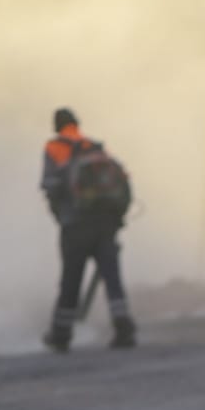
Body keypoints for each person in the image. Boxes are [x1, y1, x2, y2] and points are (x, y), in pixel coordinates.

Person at [40, 107, 137, 352]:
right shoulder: (94, 147)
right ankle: (123, 327)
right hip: (106, 224)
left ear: (56, 125)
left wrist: (61, 217)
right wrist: (117, 218)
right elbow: (122, 182)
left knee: (71, 280)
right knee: (112, 278)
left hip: (75, 226)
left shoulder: (54, 148)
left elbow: (50, 186)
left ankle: (61, 334)